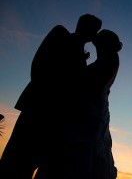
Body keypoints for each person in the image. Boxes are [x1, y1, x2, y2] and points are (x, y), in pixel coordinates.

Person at [0, 14, 102, 179]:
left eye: (95, 31)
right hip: (39, 108)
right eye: (93, 29)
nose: (94, 34)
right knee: (17, 158)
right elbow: (38, 66)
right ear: (83, 26)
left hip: (58, 118)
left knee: (35, 161)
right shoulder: (60, 33)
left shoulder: (81, 51)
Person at [34, 29, 122, 179]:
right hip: (92, 114)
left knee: (81, 157)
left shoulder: (109, 59)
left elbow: (86, 83)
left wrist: (76, 65)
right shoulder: (106, 59)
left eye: (99, 40)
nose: (95, 42)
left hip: (91, 116)